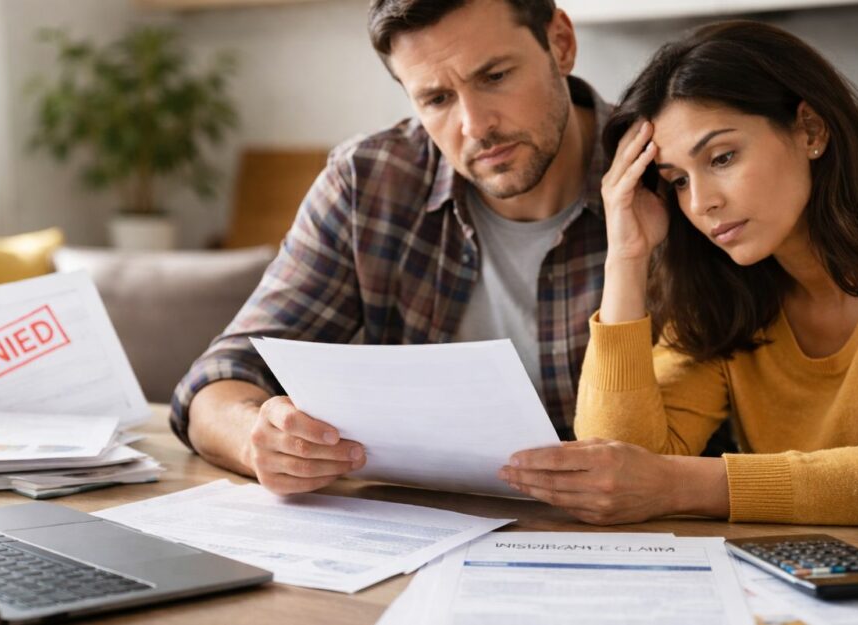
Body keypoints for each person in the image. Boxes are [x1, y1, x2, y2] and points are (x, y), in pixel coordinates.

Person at [498, 20, 858, 526]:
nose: (701, 203)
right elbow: (619, 472)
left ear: (810, 130)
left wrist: (680, 485)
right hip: (803, 586)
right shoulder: (726, 287)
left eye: (722, 157)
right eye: (676, 181)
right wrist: (625, 257)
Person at [171, 0, 614, 495]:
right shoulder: (370, 182)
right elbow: (218, 380)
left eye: (494, 76)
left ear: (560, 43)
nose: (475, 125)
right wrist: (257, 441)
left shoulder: (674, 174)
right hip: (426, 532)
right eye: (437, 99)